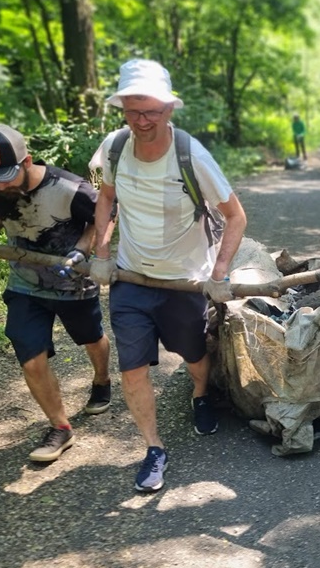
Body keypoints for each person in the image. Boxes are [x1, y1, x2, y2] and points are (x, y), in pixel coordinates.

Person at [88, 59, 248, 493]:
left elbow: (235, 216)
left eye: (151, 112)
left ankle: (200, 394)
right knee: (132, 369)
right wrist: (102, 252)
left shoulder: (191, 155)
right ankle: (154, 448)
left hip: (184, 281)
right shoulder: (114, 148)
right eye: (133, 112)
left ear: (169, 109)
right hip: (132, 280)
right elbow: (105, 198)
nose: (142, 121)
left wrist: (219, 272)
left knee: (194, 355)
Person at [0, 124, 112, 463]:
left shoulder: (70, 188)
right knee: (31, 358)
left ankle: (102, 379)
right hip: (24, 283)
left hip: (72, 282)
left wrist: (82, 251)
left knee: (91, 338)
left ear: (27, 162)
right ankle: (60, 427)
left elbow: (104, 217)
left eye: (6, 177)